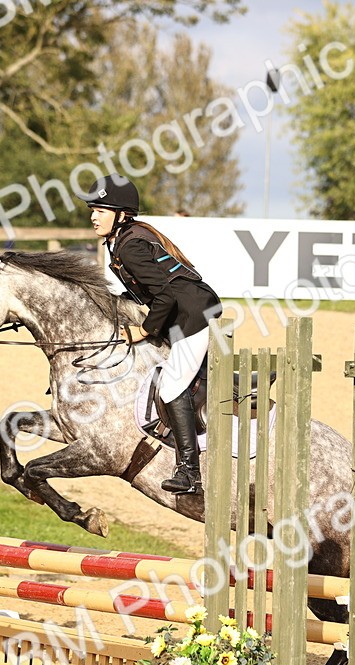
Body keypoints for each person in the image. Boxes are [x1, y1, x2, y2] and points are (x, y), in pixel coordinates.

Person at [79, 174, 222, 495]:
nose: (93, 216)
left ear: (122, 214)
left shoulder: (130, 245)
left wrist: (144, 329)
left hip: (190, 313)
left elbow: (167, 294)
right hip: (181, 309)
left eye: (100, 210)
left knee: (172, 387)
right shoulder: (124, 240)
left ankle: (189, 471)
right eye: (93, 209)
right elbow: (149, 293)